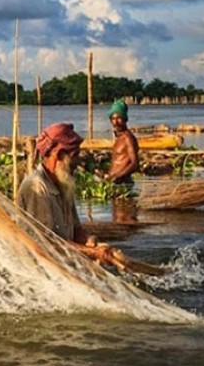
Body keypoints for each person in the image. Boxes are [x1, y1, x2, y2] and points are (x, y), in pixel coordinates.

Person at [16, 123, 112, 261]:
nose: (78, 161)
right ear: (60, 155)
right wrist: (93, 253)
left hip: (63, 262)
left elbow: (76, 230)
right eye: (75, 155)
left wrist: (89, 240)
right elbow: (47, 243)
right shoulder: (37, 187)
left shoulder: (63, 183)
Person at [105, 98, 139, 185]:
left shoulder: (128, 138)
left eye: (119, 118)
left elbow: (134, 164)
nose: (115, 122)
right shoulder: (119, 138)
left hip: (123, 184)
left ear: (124, 119)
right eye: (113, 119)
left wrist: (117, 177)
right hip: (114, 183)